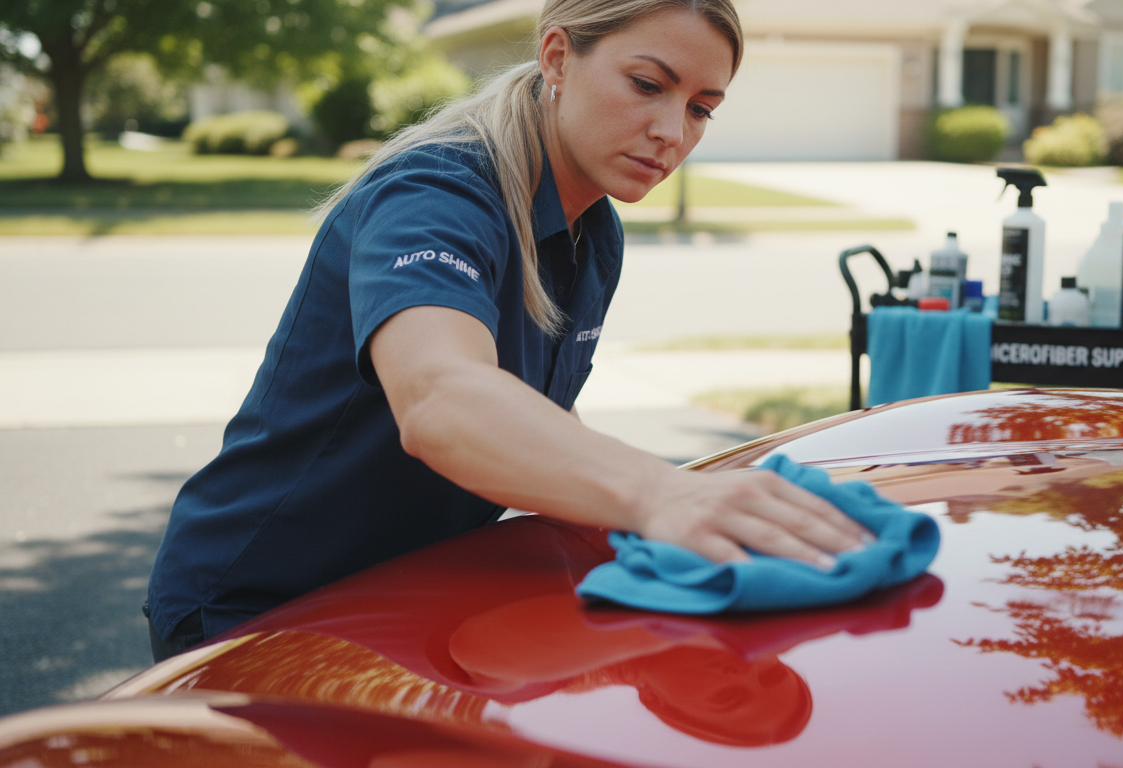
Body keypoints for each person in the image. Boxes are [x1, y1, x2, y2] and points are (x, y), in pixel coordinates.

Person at [145, 0, 872, 662]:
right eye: (649, 85)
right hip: (260, 603)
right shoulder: (436, 191)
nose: (672, 131)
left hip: (405, 591)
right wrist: (661, 495)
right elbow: (441, 399)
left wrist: (676, 543)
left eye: (702, 108)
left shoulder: (596, 231)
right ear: (557, 57)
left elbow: (542, 418)